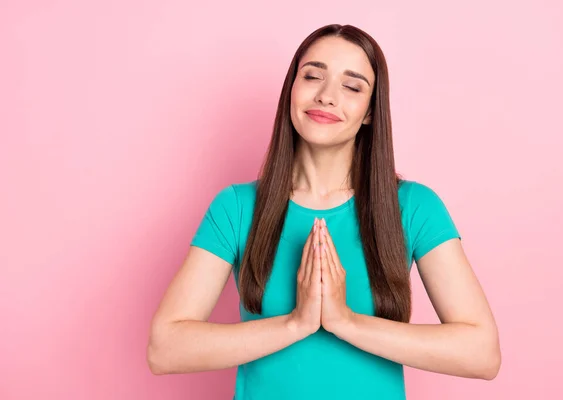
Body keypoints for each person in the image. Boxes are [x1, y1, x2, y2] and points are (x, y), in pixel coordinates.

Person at [146, 23, 501, 399]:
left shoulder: (414, 207)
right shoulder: (236, 207)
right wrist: (296, 324)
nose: (327, 96)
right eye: (313, 76)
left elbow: (481, 353)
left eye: (352, 86)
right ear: (291, 91)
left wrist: (344, 322)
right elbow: (164, 348)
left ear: (369, 112)